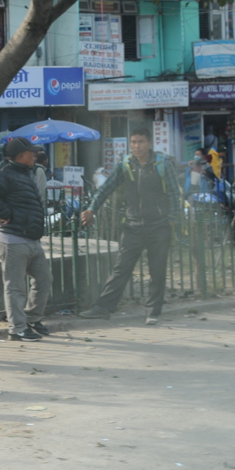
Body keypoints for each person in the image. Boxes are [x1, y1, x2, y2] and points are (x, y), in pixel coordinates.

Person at [79, 124, 181, 325]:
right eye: (133, 142)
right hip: (133, 225)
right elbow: (106, 188)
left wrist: (171, 220)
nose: (137, 146)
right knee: (121, 269)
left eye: (141, 142)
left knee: (157, 271)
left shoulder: (162, 164)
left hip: (159, 225)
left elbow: (174, 194)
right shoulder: (126, 164)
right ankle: (102, 307)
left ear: (149, 143)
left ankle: (153, 311)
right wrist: (92, 208)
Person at [0, 137, 52, 342]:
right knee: (15, 287)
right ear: (20, 155)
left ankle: (31, 319)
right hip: (12, 240)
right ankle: (18, 328)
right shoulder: (6, 174)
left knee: (44, 279)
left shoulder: (26, 173)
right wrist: (5, 212)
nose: (35, 155)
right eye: (31, 152)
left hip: (31, 239)